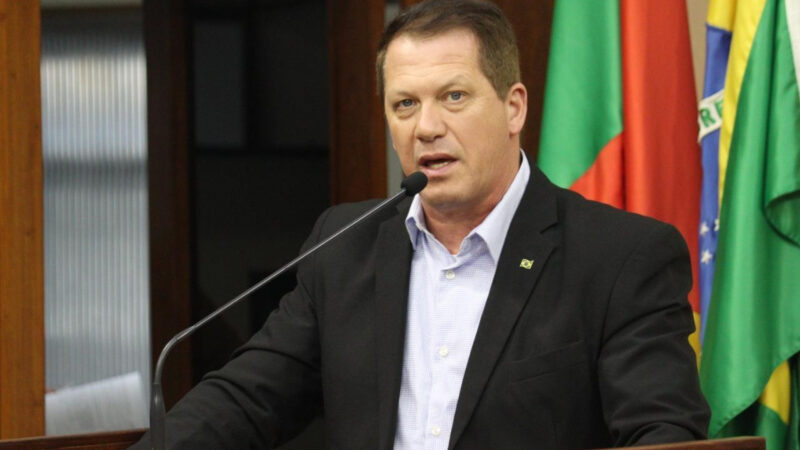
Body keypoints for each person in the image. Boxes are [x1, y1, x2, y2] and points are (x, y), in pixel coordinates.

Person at [133, 0, 709, 448]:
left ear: (513, 107)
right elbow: (244, 400)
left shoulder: (620, 258)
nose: (426, 127)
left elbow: (663, 436)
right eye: (404, 104)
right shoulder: (345, 247)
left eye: (453, 96)